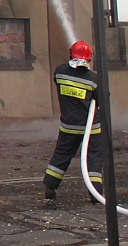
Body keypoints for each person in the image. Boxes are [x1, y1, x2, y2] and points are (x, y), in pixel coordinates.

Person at [43, 40, 104, 202]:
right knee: (94, 158)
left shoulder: (60, 72)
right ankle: (96, 194)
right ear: (89, 58)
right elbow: (102, 101)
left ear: (71, 54)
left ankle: (50, 186)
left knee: (62, 154)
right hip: (91, 128)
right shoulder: (93, 79)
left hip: (68, 125)